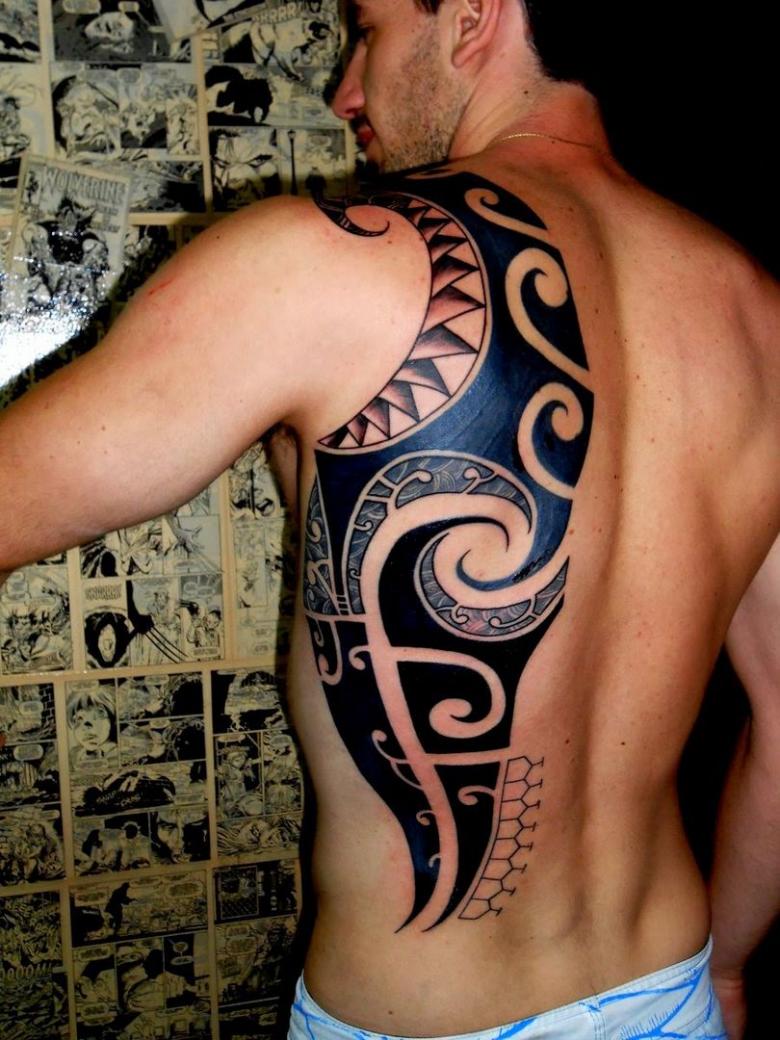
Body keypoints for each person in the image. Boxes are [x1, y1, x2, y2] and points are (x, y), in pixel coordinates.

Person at [0, 1, 777, 1038]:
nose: (345, 91)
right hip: (666, 994)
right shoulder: (758, 315)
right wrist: (731, 966)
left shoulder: (326, 262)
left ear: (472, 15)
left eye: (369, 30)